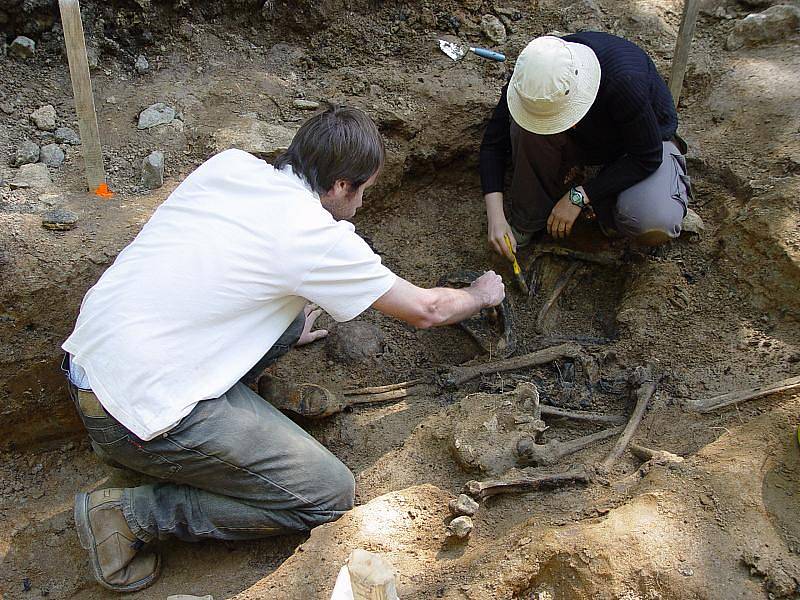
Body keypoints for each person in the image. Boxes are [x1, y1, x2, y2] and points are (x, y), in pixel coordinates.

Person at [63, 106, 505, 592]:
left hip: (89, 361)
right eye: (363, 190)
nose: (361, 204)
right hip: (134, 415)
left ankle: (242, 405)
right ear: (340, 185)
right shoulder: (314, 239)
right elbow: (427, 310)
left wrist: (285, 331)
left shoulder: (231, 166)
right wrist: (483, 293)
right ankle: (132, 516)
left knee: (294, 312)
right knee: (328, 495)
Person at [479, 32, 692, 257]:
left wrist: (579, 195)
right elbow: (493, 145)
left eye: (556, 118)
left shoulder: (624, 81)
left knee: (654, 220)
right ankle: (529, 219)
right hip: (584, 140)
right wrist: (496, 217)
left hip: (641, 144)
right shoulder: (530, 81)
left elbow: (647, 156)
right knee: (524, 126)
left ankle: (609, 211)